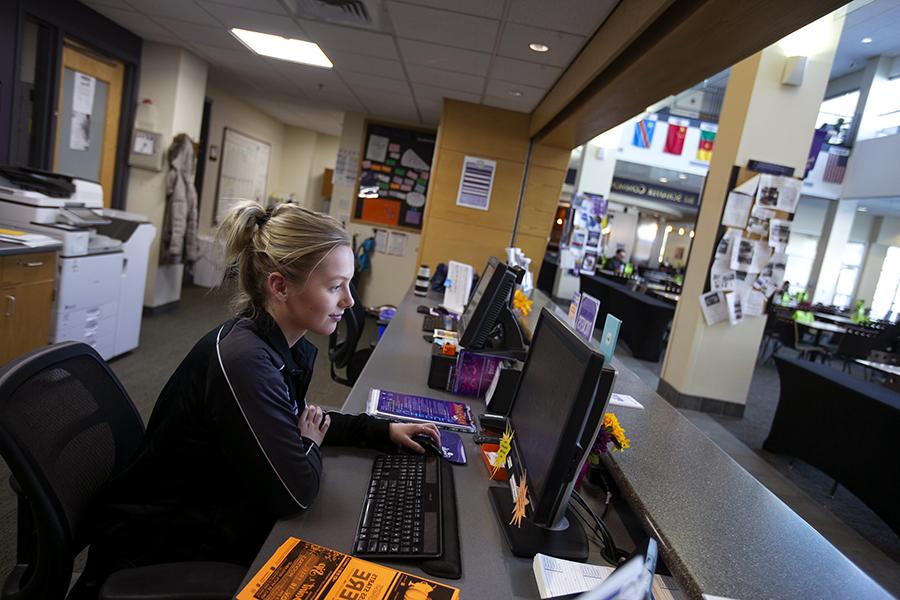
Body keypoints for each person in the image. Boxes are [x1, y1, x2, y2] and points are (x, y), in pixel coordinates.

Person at [72, 201, 439, 597]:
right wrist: (308, 444)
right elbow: (296, 491)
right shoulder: (246, 362)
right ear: (279, 286)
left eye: (348, 285)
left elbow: (298, 419)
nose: (349, 301)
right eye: (335, 287)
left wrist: (381, 430)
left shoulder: (277, 345)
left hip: (215, 508)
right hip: (164, 544)